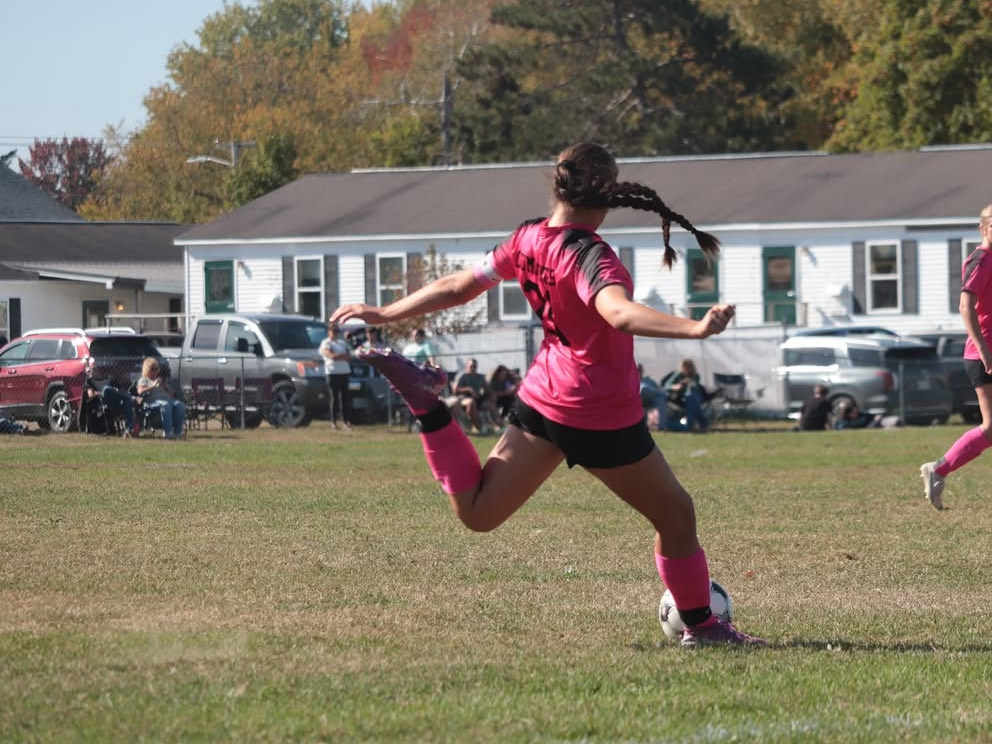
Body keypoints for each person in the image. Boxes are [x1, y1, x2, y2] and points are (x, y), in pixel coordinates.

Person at [331, 141, 764, 647]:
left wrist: (385, 313)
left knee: (478, 512)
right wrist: (695, 328)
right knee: (676, 515)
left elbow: (460, 285)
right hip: (598, 410)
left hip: (542, 397)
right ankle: (703, 627)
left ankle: (428, 406)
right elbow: (618, 313)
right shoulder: (591, 255)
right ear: (607, 195)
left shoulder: (527, 238)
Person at [920, 204, 992, 511]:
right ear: (983, 228)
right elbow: (965, 307)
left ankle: (939, 469)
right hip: (984, 354)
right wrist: (984, 350)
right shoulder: (981, 259)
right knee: (990, 427)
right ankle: (939, 469)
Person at [136, 357, 186, 439]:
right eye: (153, 369)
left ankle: (177, 433)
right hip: (151, 402)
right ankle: (168, 433)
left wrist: (165, 386)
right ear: (147, 369)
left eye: (156, 369)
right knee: (166, 405)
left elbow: (172, 395)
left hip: (167, 401)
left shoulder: (160, 380)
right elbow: (140, 391)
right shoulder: (144, 380)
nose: (155, 371)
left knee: (180, 405)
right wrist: (153, 386)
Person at [662, 358, 711, 432]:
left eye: (689, 367)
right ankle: (702, 425)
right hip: (682, 398)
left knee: (692, 398)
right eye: (686, 367)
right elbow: (667, 385)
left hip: (696, 396)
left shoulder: (696, 376)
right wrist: (676, 386)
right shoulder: (679, 375)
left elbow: (696, 388)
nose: (687, 369)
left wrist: (689, 382)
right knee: (691, 401)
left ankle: (690, 426)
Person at [320, 323, 353, 430]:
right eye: (333, 331)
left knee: (345, 398)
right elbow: (330, 355)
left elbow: (349, 357)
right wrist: (340, 356)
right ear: (329, 332)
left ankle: (345, 422)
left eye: (336, 331)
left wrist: (338, 356)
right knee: (334, 398)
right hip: (332, 373)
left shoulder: (342, 343)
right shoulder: (326, 343)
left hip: (344, 372)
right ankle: (333, 422)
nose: (335, 333)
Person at [451, 358, 497, 433]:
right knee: (471, 403)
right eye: (471, 366)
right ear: (467, 366)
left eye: (475, 366)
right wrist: (468, 389)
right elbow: (455, 390)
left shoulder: (480, 377)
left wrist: (492, 395)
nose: (473, 368)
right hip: (463, 399)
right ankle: (475, 426)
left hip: (477, 399)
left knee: (491, 406)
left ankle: (498, 425)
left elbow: (487, 389)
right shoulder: (462, 376)